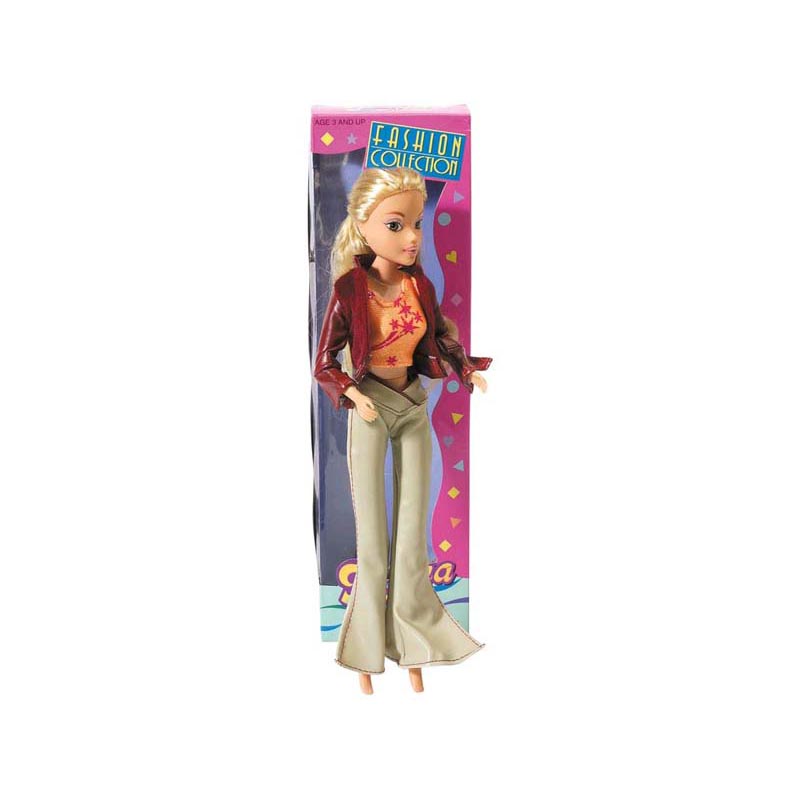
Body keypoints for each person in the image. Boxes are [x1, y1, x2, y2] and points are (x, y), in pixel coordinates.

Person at [313, 167, 492, 694]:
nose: (412, 237)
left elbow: (438, 338)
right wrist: (353, 394)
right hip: (370, 406)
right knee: (372, 541)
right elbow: (324, 361)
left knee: (411, 537)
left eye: (416, 224)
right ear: (362, 225)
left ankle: (414, 646)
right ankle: (365, 652)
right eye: (396, 225)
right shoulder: (349, 290)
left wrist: (465, 369)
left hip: (413, 404)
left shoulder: (419, 284)